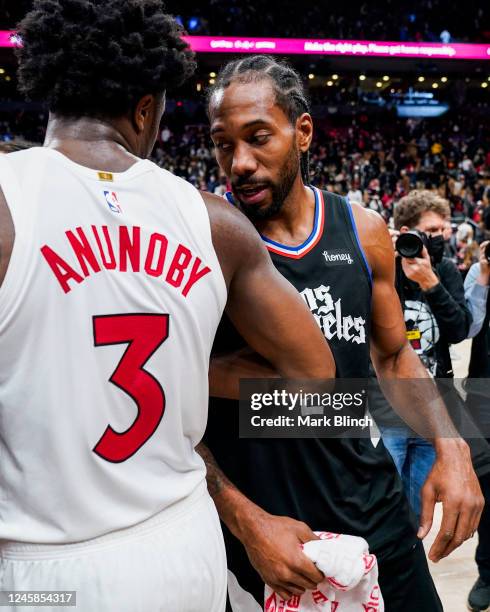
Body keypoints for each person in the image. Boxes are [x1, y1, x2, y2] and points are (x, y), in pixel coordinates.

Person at [0, 5, 336, 611]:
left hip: (42, 568)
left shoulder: (7, 203)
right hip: (183, 546)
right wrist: (182, 375)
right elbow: (315, 377)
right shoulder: (214, 221)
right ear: (146, 108)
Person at [198, 55, 483, 612]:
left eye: (259, 138)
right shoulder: (204, 237)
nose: (241, 162)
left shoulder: (363, 229)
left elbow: (395, 355)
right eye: (222, 143)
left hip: (369, 503)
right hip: (270, 531)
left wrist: (454, 448)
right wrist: (243, 518)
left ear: (302, 132)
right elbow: (172, 408)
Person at [371, 191, 473, 518]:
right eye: (431, 230)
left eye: (444, 230)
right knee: (382, 509)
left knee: (415, 514)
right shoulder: (383, 267)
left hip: (433, 411)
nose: (441, 236)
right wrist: (378, 255)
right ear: (406, 232)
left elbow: (459, 330)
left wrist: (431, 283)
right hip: (388, 411)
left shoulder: (446, 269)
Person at [465, 243, 490, 611]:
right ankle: (487, 571)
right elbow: (465, 327)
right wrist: (484, 276)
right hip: (484, 397)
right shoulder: (477, 273)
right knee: (487, 488)